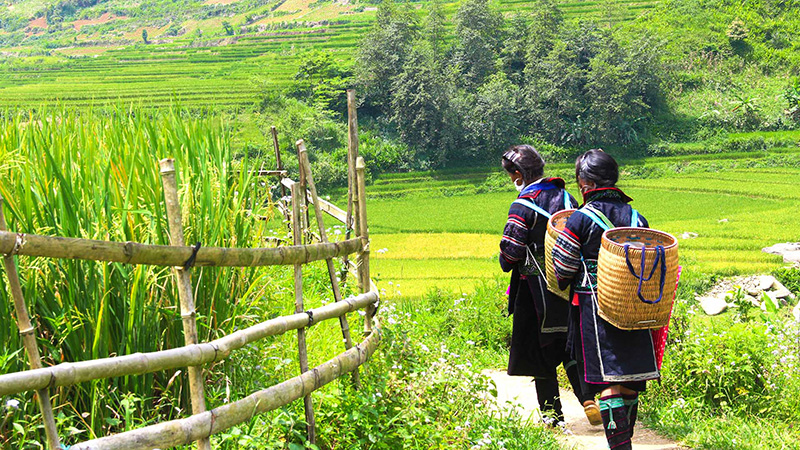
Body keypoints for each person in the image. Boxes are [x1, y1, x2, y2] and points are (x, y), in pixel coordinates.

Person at [552, 149, 659, 449]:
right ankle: (625, 441)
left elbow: (562, 269)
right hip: (637, 307)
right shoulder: (638, 218)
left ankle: (620, 447)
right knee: (629, 380)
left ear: (584, 183)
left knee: (609, 383)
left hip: (596, 308)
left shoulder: (580, 219)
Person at [499, 144, 600, 427]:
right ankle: (588, 399)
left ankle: (553, 418)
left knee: (540, 354)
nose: (511, 180)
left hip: (534, 291)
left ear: (518, 174)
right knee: (569, 346)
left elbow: (512, 251)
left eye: (511, 175)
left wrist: (504, 258)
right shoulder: (567, 197)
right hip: (568, 285)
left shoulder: (523, 204)